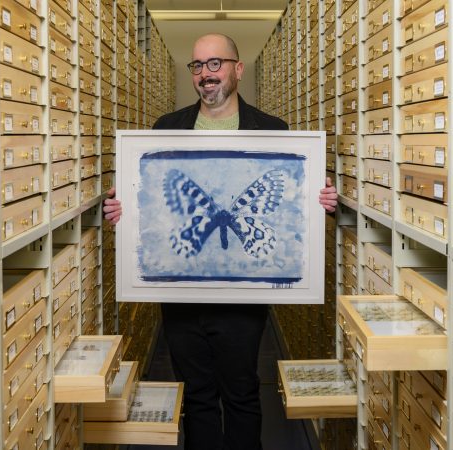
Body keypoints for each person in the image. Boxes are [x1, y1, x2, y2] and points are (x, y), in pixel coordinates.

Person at [103, 34, 338, 450]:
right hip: (181, 298)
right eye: (197, 66)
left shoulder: (274, 131)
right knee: (196, 397)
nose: (206, 75)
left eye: (215, 64)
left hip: (242, 301)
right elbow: (151, 204)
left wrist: (322, 200)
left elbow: (290, 208)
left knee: (243, 394)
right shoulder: (165, 129)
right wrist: (124, 212)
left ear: (237, 69)